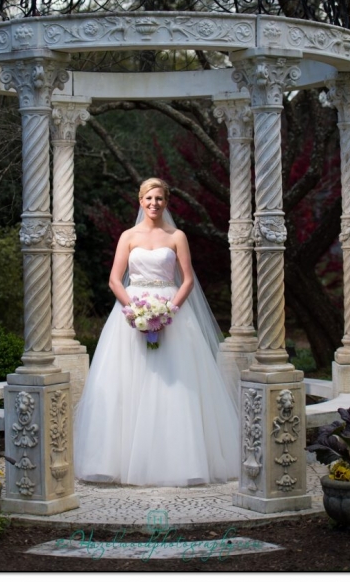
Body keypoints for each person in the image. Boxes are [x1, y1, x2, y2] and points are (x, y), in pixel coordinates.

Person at [73, 178, 239, 487]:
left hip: (172, 313)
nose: (154, 203)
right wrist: (134, 311)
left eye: (159, 198)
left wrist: (170, 311)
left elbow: (187, 279)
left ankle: (180, 459)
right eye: (149, 198)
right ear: (140, 200)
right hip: (132, 313)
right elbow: (114, 280)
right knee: (126, 383)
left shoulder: (177, 236)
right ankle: (118, 461)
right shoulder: (128, 237)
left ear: (166, 202)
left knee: (176, 386)